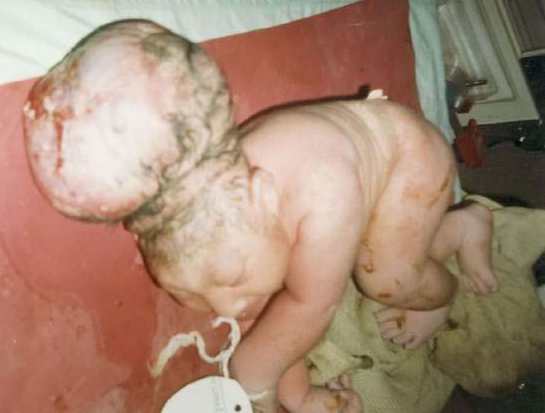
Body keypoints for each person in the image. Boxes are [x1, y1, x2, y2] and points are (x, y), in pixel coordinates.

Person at [23, 20, 497, 413]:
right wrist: (296, 393)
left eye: (232, 282)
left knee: (387, 277)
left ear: (265, 194)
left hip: (407, 163)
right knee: (286, 281)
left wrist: (258, 381)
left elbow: (307, 310)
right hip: (350, 172)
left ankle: (446, 275)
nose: (228, 309)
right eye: (193, 296)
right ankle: (450, 230)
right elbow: (280, 322)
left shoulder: (323, 201)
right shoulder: (227, 205)